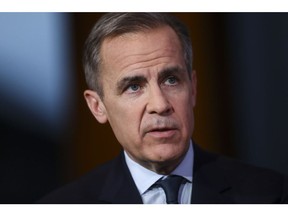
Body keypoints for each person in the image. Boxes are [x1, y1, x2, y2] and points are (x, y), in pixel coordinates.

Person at [38, 13, 288, 204]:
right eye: (134, 87)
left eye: (171, 80)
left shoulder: (269, 193)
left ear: (193, 89)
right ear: (97, 106)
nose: (160, 105)